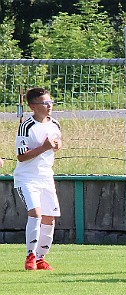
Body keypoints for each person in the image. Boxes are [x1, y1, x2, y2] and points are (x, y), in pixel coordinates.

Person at [13, 87, 62, 271]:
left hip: (46, 177)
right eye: (45, 103)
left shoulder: (55, 124)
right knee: (36, 214)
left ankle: (42, 258)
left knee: (49, 218)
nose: (49, 106)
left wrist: (55, 146)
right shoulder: (26, 126)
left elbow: (57, 145)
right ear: (34, 106)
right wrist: (43, 147)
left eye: (50, 102)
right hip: (28, 178)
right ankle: (30, 256)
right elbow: (21, 156)